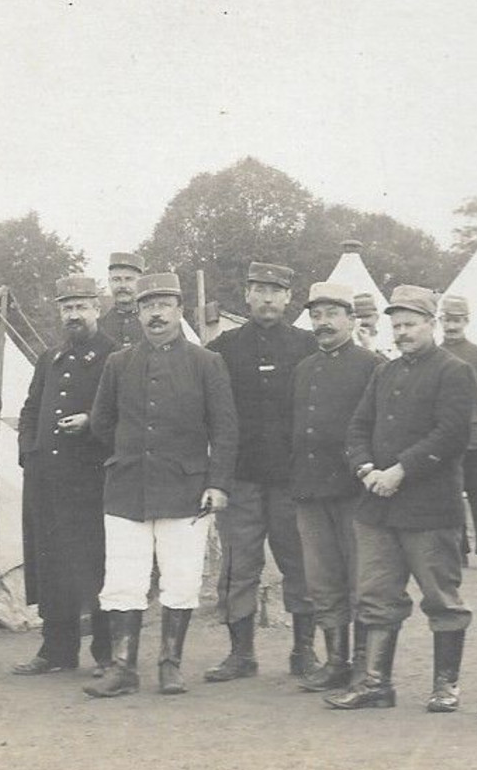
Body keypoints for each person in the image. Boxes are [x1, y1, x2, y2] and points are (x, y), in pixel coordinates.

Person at [86, 272, 239, 698]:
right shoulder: (118, 363)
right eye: (147, 306)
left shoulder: (206, 363)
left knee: (182, 577)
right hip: (127, 489)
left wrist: (218, 483)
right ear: (136, 313)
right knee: (123, 579)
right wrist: (128, 453)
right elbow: (101, 422)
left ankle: (170, 664)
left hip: (186, 490)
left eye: (164, 305)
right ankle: (123, 668)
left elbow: (225, 429)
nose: (155, 314)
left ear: (180, 310)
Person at [328, 285, 477, 712]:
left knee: (441, 597)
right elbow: (357, 428)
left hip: (429, 509)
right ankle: (375, 683)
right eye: (397, 326)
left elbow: (450, 435)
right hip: (377, 507)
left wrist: (400, 470)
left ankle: (445, 685)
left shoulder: (454, 371)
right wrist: (366, 470)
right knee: (375, 595)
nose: (403, 333)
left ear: (432, 325)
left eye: (411, 324)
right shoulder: (385, 372)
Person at [205, 262, 320, 682]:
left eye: (276, 291)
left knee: (300, 563)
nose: (268, 298)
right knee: (239, 565)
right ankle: (241, 654)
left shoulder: (308, 346)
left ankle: (304, 651)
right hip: (241, 478)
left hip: (293, 479)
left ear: (289, 297)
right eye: (260, 289)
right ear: (247, 295)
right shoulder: (223, 348)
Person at [11, 275, 119, 675]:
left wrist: (91, 422)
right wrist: (29, 451)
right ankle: (56, 650)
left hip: (90, 481)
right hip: (47, 480)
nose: (74, 315)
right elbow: (28, 409)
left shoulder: (114, 356)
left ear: (97, 307)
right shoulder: (49, 358)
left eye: (81, 307)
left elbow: (123, 413)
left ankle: (107, 654)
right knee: (51, 565)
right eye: (67, 308)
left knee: (94, 568)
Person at [289, 281, 382, 691]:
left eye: (331, 314)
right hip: (311, 490)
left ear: (350, 318)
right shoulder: (304, 369)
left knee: (362, 578)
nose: (322, 323)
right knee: (322, 579)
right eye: (316, 315)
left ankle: (364, 663)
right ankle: (335, 661)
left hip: (354, 491)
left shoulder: (372, 365)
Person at [438, 293, 477, 566]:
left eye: (457, 320)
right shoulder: (434, 354)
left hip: (476, 439)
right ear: (440, 321)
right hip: (444, 439)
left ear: (467, 321)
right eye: (447, 320)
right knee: (450, 497)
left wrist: (466, 387)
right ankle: (457, 551)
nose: (452, 326)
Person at [98, 252, 150, 351]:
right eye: (116, 279)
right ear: (109, 282)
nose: (122, 285)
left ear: (140, 282)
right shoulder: (99, 326)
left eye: (129, 279)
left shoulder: (157, 321)